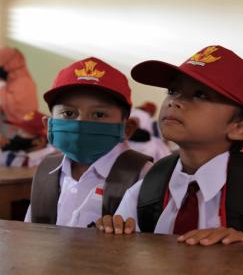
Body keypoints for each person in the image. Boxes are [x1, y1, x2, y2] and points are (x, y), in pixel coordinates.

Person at [98, 45, 243, 247]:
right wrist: (114, 232)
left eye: (200, 94)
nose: (174, 101)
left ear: (241, 128)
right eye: (172, 91)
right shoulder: (148, 186)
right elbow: (123, 248)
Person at [24, 57, 153, 228]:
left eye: (99, 115)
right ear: (49, 125)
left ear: (127, 128)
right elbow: (30, 232)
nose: (80, 123)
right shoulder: (46, 170)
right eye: (68, 114)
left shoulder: (144, 176)